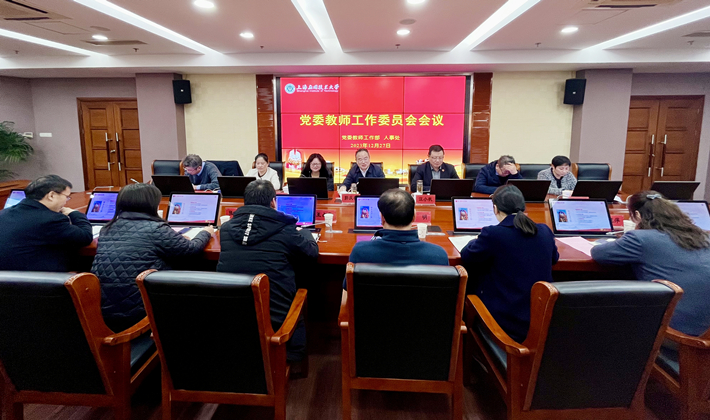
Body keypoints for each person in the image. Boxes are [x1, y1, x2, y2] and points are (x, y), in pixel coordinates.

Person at [217, 180, 318, 362]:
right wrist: (304, 232)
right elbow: (311, 253)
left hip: (232, 320)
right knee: (301, 290)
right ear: (273, 202)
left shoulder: (225, 229)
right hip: (276, 324)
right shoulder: (285, 229)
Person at [92, 183, 213, 332]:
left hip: (106, 308)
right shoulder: (155, 229)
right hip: (141, 310)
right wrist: (205, 232)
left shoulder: (107, 228)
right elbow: (191, 249)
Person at [591, 192, 710, 336]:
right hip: (704, 332)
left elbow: (599, 253)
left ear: (637, 216)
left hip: (676, 335)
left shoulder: (641, 238)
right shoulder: (704, 236)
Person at [460, 185, 558, 343]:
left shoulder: (494, 234)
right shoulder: (544, 231)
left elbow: (467, 256)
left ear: (495, 208)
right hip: (541, 319)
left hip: (505, 323)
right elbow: (554, 259)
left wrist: (476, 240)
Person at [0, 175, 93, 271]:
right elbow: (85, 237)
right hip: (38, 278)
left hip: (6, 277)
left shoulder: (3, 214)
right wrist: (75, 214)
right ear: (51, 195)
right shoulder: (51, 219)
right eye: (66, 197)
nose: (66, 201)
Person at [347, 188, 449, 270]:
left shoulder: (360, 252)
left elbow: (348, 290)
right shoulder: (439, 255)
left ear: (382, 218)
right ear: (414, 217)